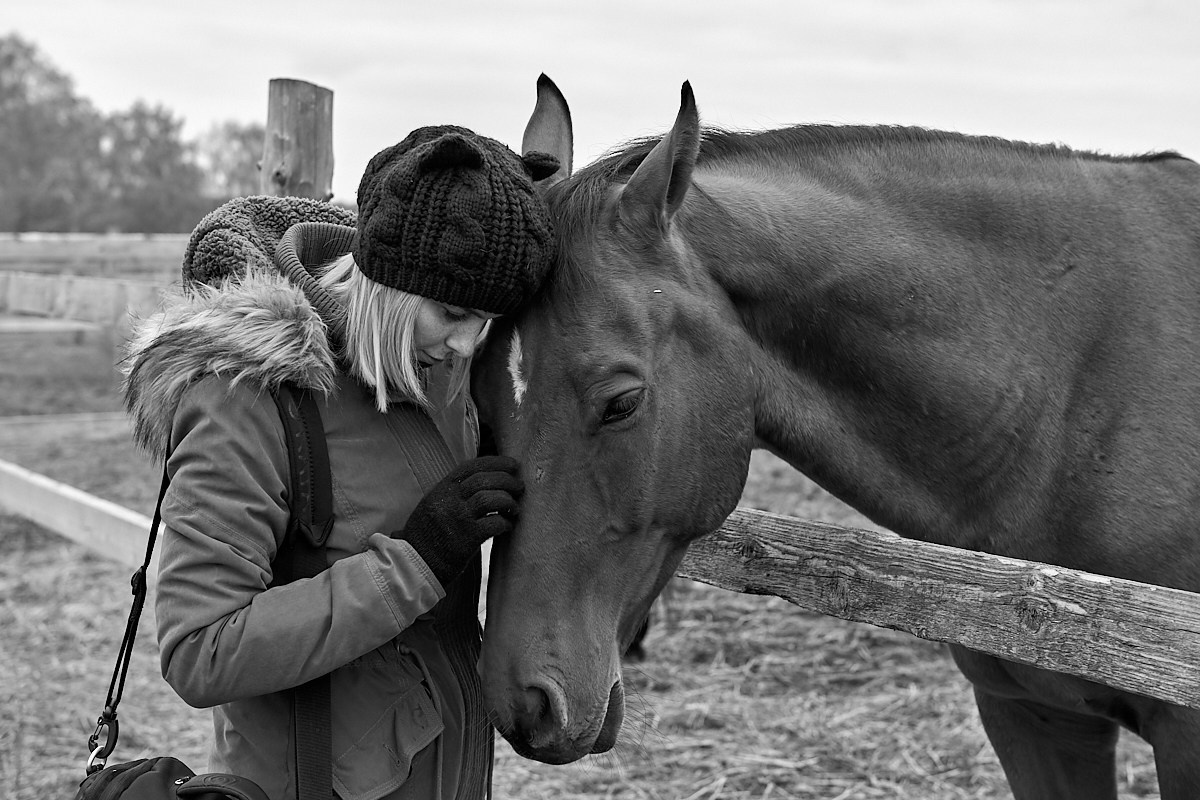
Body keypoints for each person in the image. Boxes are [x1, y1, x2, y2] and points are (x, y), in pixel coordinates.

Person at [122, 125, 558, 800]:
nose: (468, 345)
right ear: (386, 278)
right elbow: (198, 650)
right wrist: (412, 561)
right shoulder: (248, 394)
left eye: (490, 321)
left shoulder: (440, 374)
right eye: (452, 312)